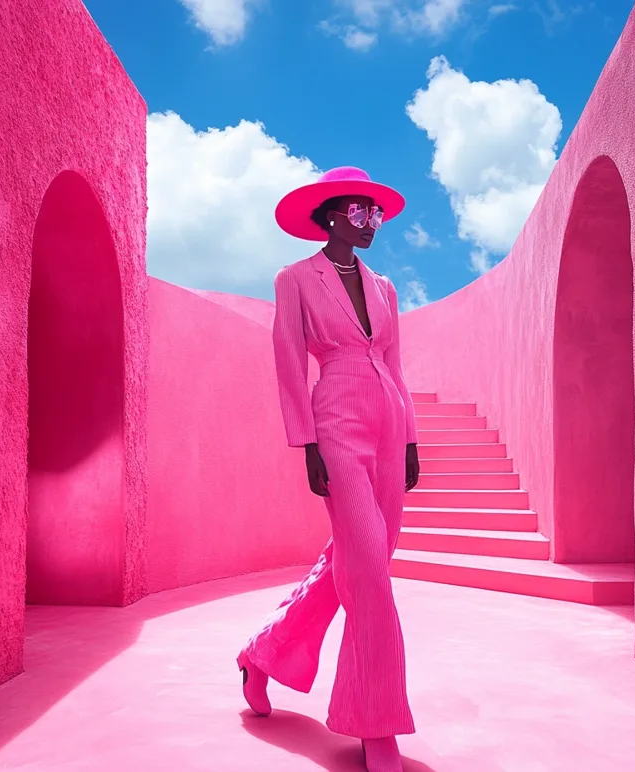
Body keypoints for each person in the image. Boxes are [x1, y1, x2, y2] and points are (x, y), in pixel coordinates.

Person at [236, 167, 420, 772]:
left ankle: (264, 653)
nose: (372, 223)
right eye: (362, 212)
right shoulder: (295, 280)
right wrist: (307, 442)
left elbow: (395, 364)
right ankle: (377, 723)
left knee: (361, 559)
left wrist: (412, 440)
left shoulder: (386, 286)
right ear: (332, 216)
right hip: (336, 420)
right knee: (368, 569)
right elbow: (289, 361)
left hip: (390, 426)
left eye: (378, 213)